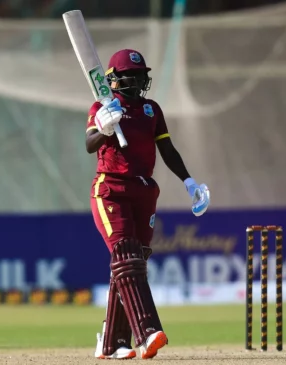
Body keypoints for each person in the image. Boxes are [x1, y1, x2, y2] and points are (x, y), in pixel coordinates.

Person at [86, 49, 210, 360]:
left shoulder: (151, 109)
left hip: (143, 190)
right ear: (114, 78)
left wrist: (189, 182)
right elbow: (89, 145)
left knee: (132, 262)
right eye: (132, 74)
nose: (140, 80)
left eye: (142, 75)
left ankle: (111, 343)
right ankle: (146, 331)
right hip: (110, 189)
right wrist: (103, 129)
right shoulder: (101, 106)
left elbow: (167, 149)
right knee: (126, 255)